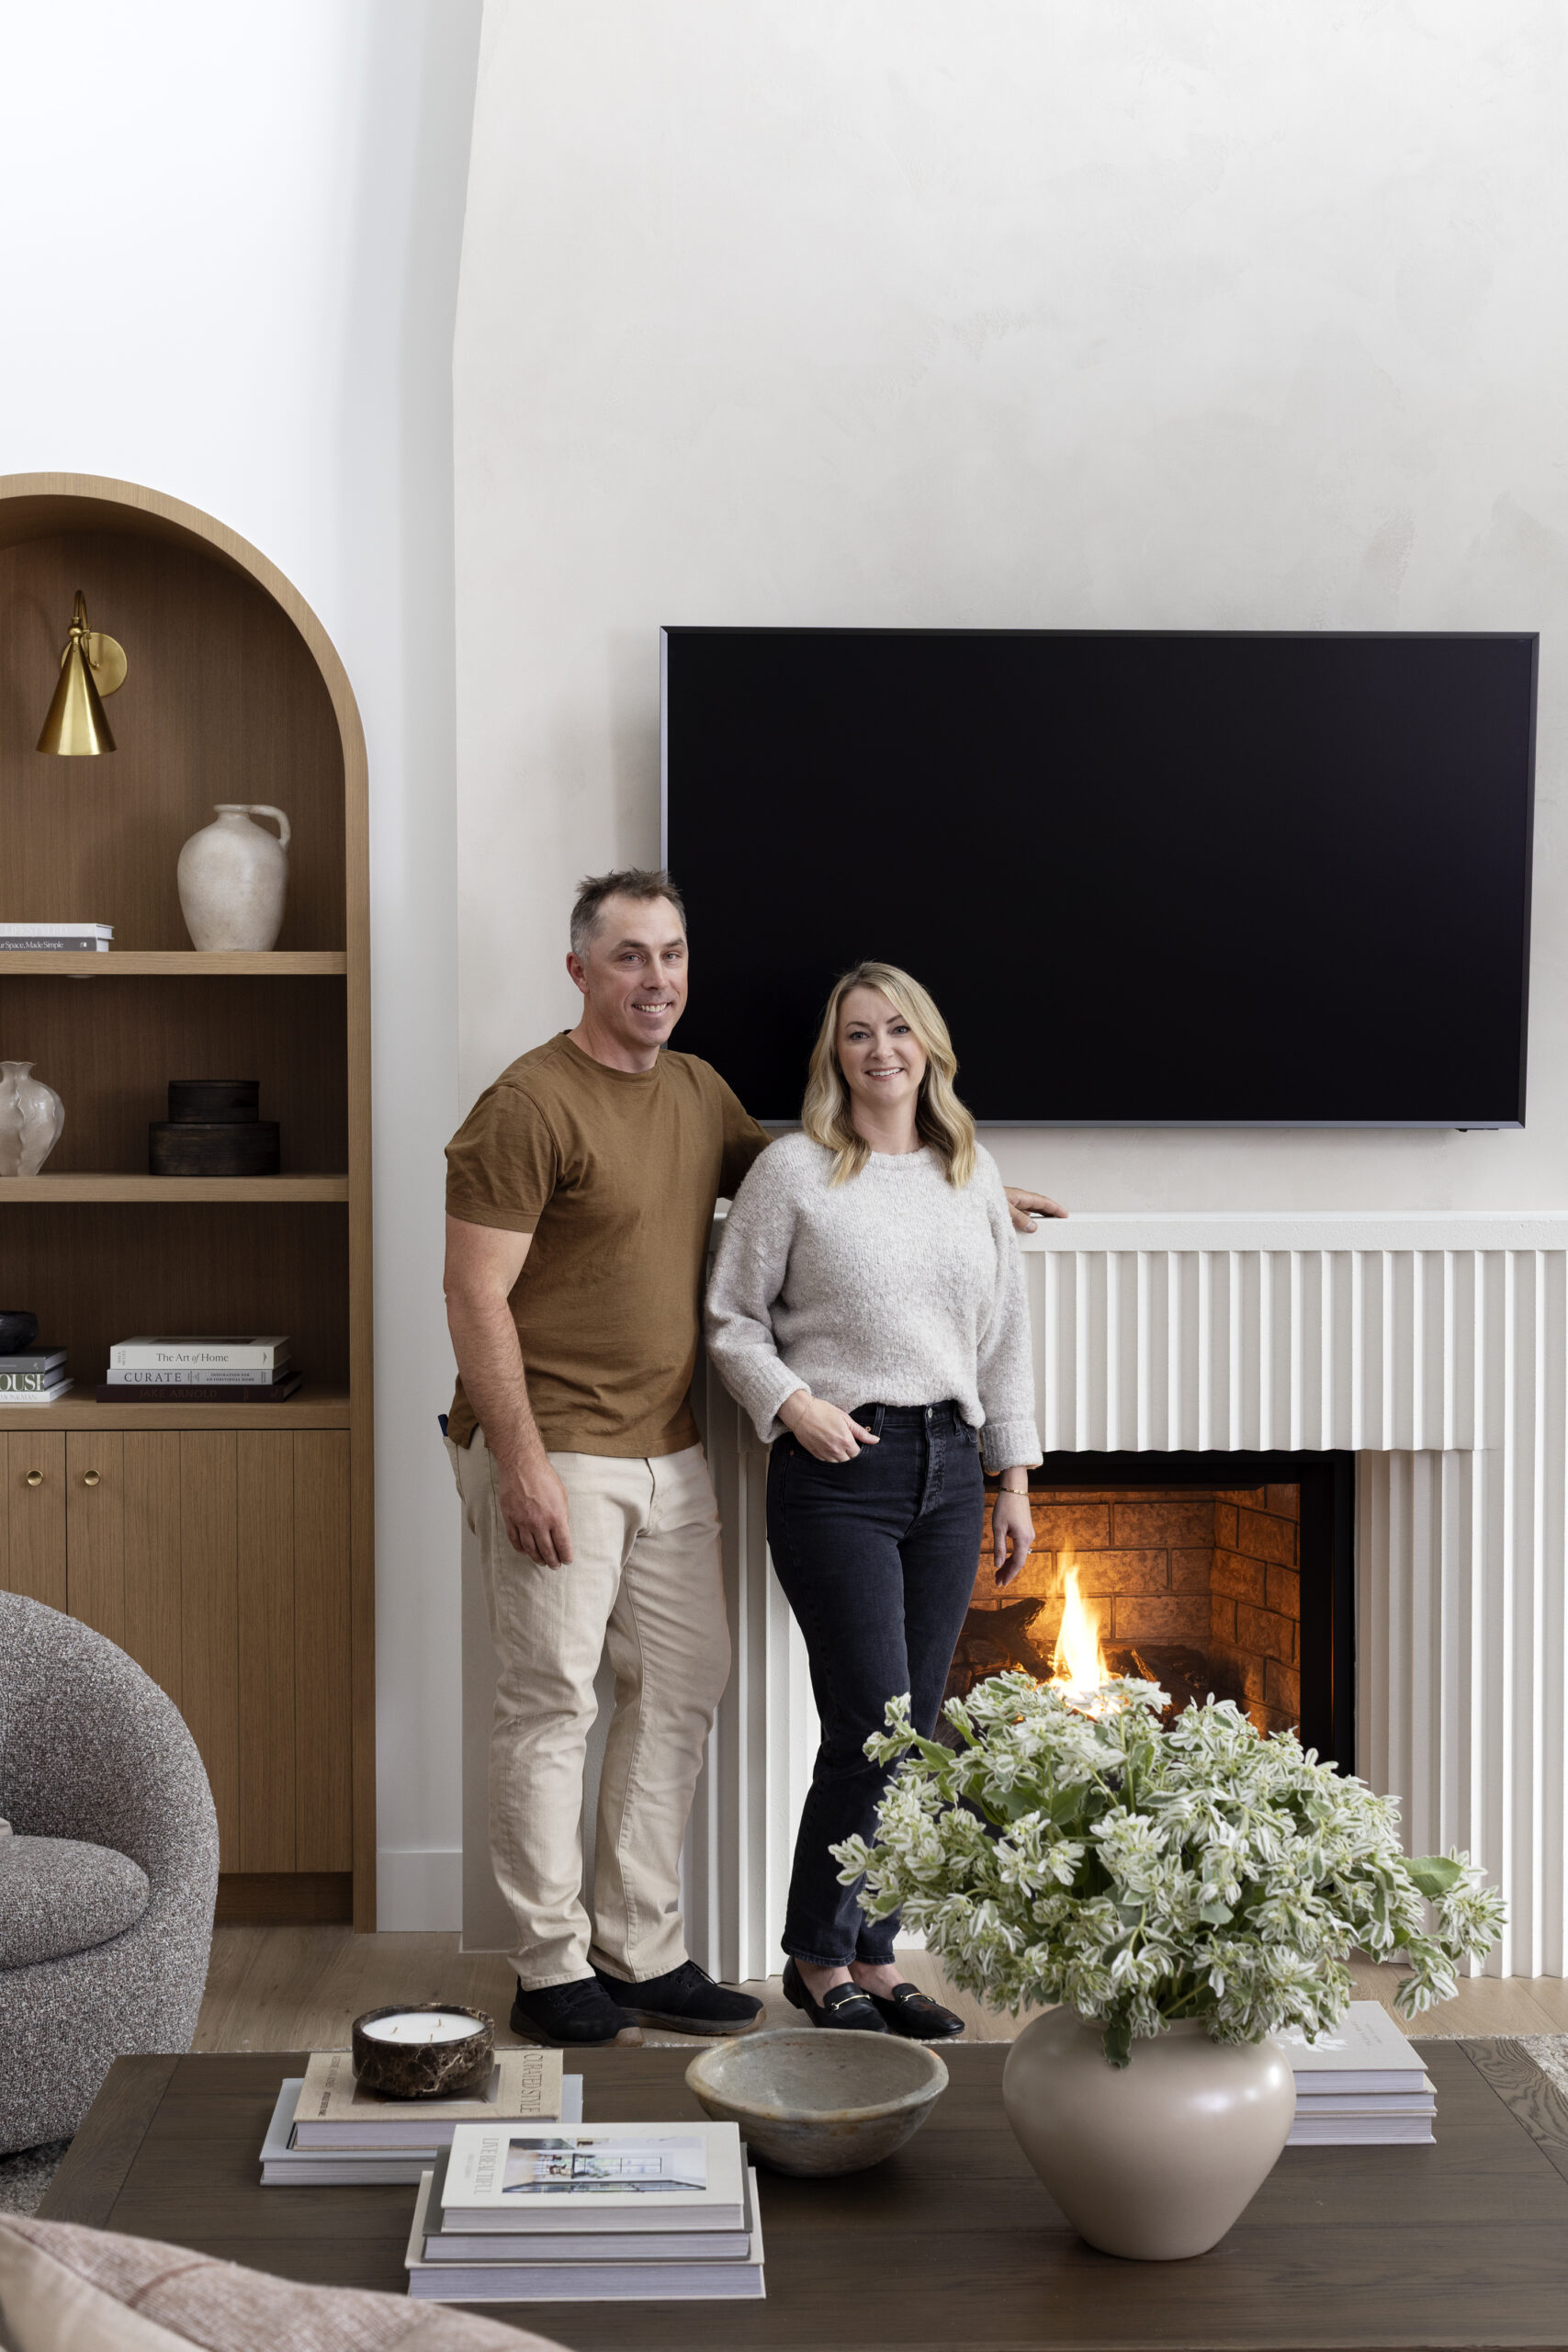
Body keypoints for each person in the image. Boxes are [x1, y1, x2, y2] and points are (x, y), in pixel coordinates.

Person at [445, 876, 1062, 2048]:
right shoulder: (527, 1103)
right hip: (558, 1442)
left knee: (680, 1695)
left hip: (672, 1448)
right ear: (580, 969)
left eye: (672, 955)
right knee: (550, 1705)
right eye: (629, 957)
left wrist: (973, 1189)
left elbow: (843, 1173)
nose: (657, 979)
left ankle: (639, 1951)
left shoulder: (695, 1091)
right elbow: (472, 1293)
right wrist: (518, 1460)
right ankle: (549, 1964)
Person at [705, 960, 1046, 2038]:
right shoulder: (795, 1172)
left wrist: (1013, 1477)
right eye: (858, 1033)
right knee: (872, 1724)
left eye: (899, 1030)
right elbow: (730, 1319)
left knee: (920, 1729)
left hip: (951, 1471)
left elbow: (1004, 1342)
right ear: (835, 1054)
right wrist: (792, 1405)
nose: (881, 1049)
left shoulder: (970, 1175)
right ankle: (817, 1956)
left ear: (930, 1049)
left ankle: (876, 1952)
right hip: (839, 1471)